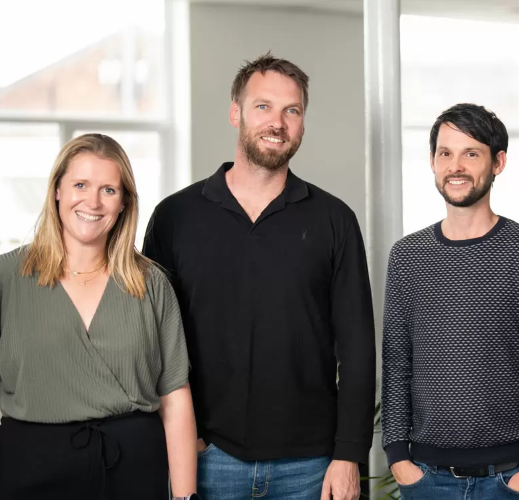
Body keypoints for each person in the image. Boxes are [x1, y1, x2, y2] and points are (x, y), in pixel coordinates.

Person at [142, 53, 375, 500]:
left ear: (303, 124)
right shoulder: (175, 217)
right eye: (263, 106)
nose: (278, 122)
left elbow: (358, 347)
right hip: (207, 457)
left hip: (311, 465)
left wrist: (349, 456)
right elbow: (150, 341)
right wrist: (179, 441)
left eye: (292, 110)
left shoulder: (334, 220)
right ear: (236, 113)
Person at [0, 134, 197, 500]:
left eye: (109, 190)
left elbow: (176, 398)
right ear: (57, 192)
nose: (92, 202)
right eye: (80, 185)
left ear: (124, 202)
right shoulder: (4, 277)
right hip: (27, 475)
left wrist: (184, 497)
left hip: (132, 476)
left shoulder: (151, 284)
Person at [380, 103, 519, 500]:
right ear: (432, 163)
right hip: (426, 478)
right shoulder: (407, 256)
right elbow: (397, 359)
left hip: (513, 477)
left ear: (498, 162)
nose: (456, 166)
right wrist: (397, 456)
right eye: (445, 153)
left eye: (471, 153)